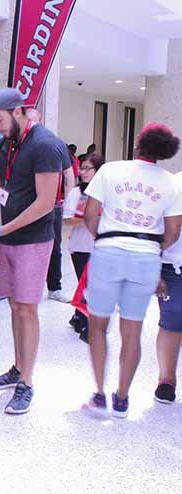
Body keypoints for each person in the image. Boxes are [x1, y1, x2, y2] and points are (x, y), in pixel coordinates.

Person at [82, 123, 182, 419]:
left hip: (109, 251)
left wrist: (103, 239)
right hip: (146, 257)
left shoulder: (111, 170)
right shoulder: (170, 182)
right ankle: (122, 400)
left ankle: (99, 394)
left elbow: (90, 214)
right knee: (132, 331)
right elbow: (173, 230)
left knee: (98, 326)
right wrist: (154, 247)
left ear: (139, 143)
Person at [0, 88, 64, 415]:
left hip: (33, 239)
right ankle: (17, 367)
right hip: (7, 237)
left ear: (18, 112)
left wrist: (4, 229)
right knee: (15, 306)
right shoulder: (6, 144)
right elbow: (4, 186)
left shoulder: (45, 145)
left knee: (28, 309)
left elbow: (45, 204)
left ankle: (26, 382)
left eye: (0, 120)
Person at [26, 108, 75, 302]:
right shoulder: (16, 145)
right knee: (25, 247)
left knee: (53, 247)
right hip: (23, 206)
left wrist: (68, 204)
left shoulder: (54, 144)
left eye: (33, 122)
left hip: (50, 206)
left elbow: (69, 173)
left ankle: (54, 287)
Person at [63, 153, 105, 343]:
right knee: (86, 285)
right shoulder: (76, 193)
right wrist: (91, 217)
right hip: (80, 247)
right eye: (82, 168)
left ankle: (79, 318)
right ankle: (88, 325)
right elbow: (68, 219)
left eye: (88, 168)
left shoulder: (106, 192)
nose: (83, 172)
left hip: (101, 247)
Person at [156, 170, 182, 405]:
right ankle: (166, 379)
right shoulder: (175, 184)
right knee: (172, 321)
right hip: (175, 268)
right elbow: (159, 230)